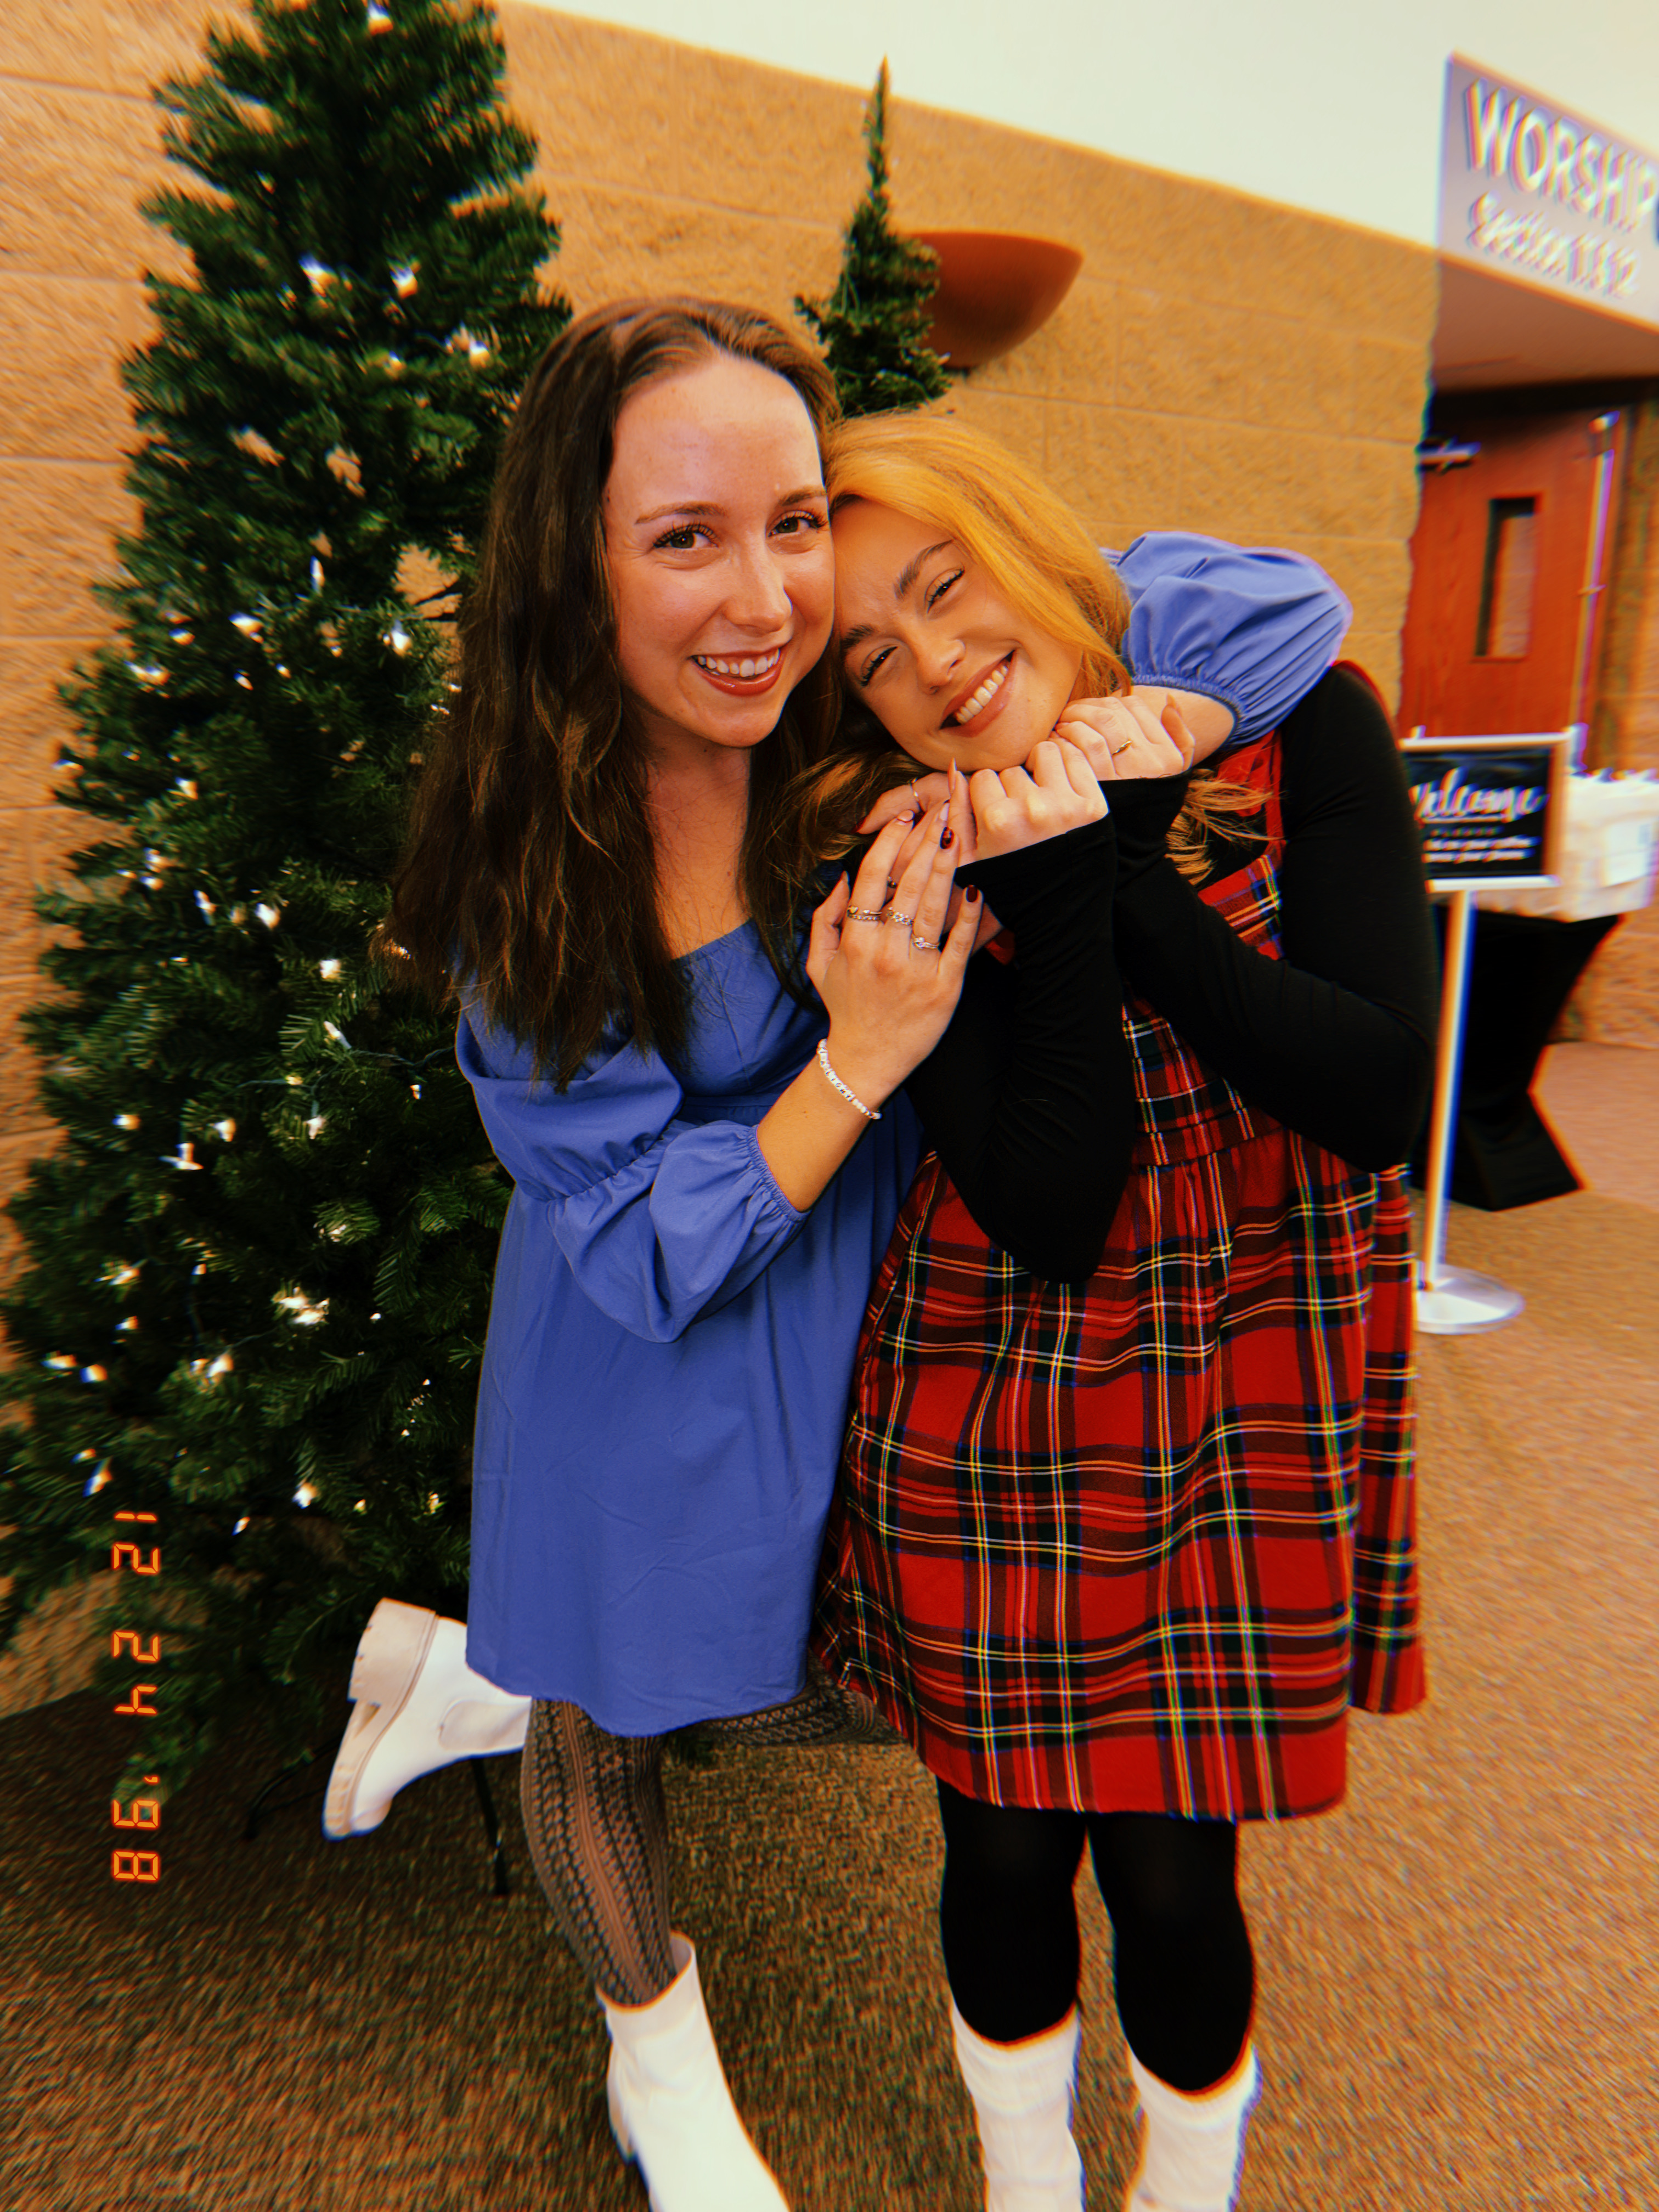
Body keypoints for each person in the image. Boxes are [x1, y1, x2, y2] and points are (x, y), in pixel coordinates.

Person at [323, 296, 1353, 2212]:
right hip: (648, 1363)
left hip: (867, 1328)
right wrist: (862, 1059)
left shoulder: (829, 698)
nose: (764, 595)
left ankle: (484, 1666)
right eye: (684, 537)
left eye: (791, 523)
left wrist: (1168, 718)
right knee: (612, 1724)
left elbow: (1270, 600)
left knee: (918, 1693)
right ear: (574, 561)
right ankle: (659, 2067)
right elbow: (640, 1252)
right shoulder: (537, 853)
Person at [809, 411, 1437, 2212]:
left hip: (1246, 1387)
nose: (935, 661)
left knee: (1176, 1869)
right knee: (1005, 1846)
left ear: (1029, 546)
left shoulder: (1297, 727)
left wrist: (1129, 872)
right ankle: (1028, 2182)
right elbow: (1053, 1208)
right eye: (875, 654)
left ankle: (1185, 2182)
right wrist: (1061, 895)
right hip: (999, 1381)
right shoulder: (901, 860)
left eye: (948, 587)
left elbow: (1378, 1092)